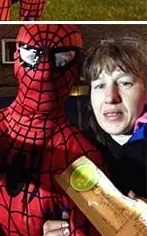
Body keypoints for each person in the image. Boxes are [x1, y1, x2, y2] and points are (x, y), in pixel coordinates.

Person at [0, 24, 105, 235]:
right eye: (31, 55)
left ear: (75, 67)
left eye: (61, 59)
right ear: (16, 58)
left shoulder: (82, 157)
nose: (43, 72)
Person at [43, 37, 147, 236]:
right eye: (99, 85)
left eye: (124, 83)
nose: (110, 97)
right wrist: (58, 227)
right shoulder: (76, 150)